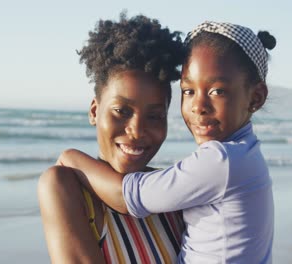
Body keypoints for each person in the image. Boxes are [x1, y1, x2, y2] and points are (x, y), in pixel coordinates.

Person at [59, 21, 277, 263]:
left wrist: (72, 158)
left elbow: (127, 196)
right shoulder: (243, 156)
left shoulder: (222, 161)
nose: (198, 106)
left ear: (256, 97)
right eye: (188, 91)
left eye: (217, 91)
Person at [37, 13, 185, 263]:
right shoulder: (65, 187)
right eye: (122, 111)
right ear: (95, 111)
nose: (137, 131)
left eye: (155, 116)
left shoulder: (173, 195)